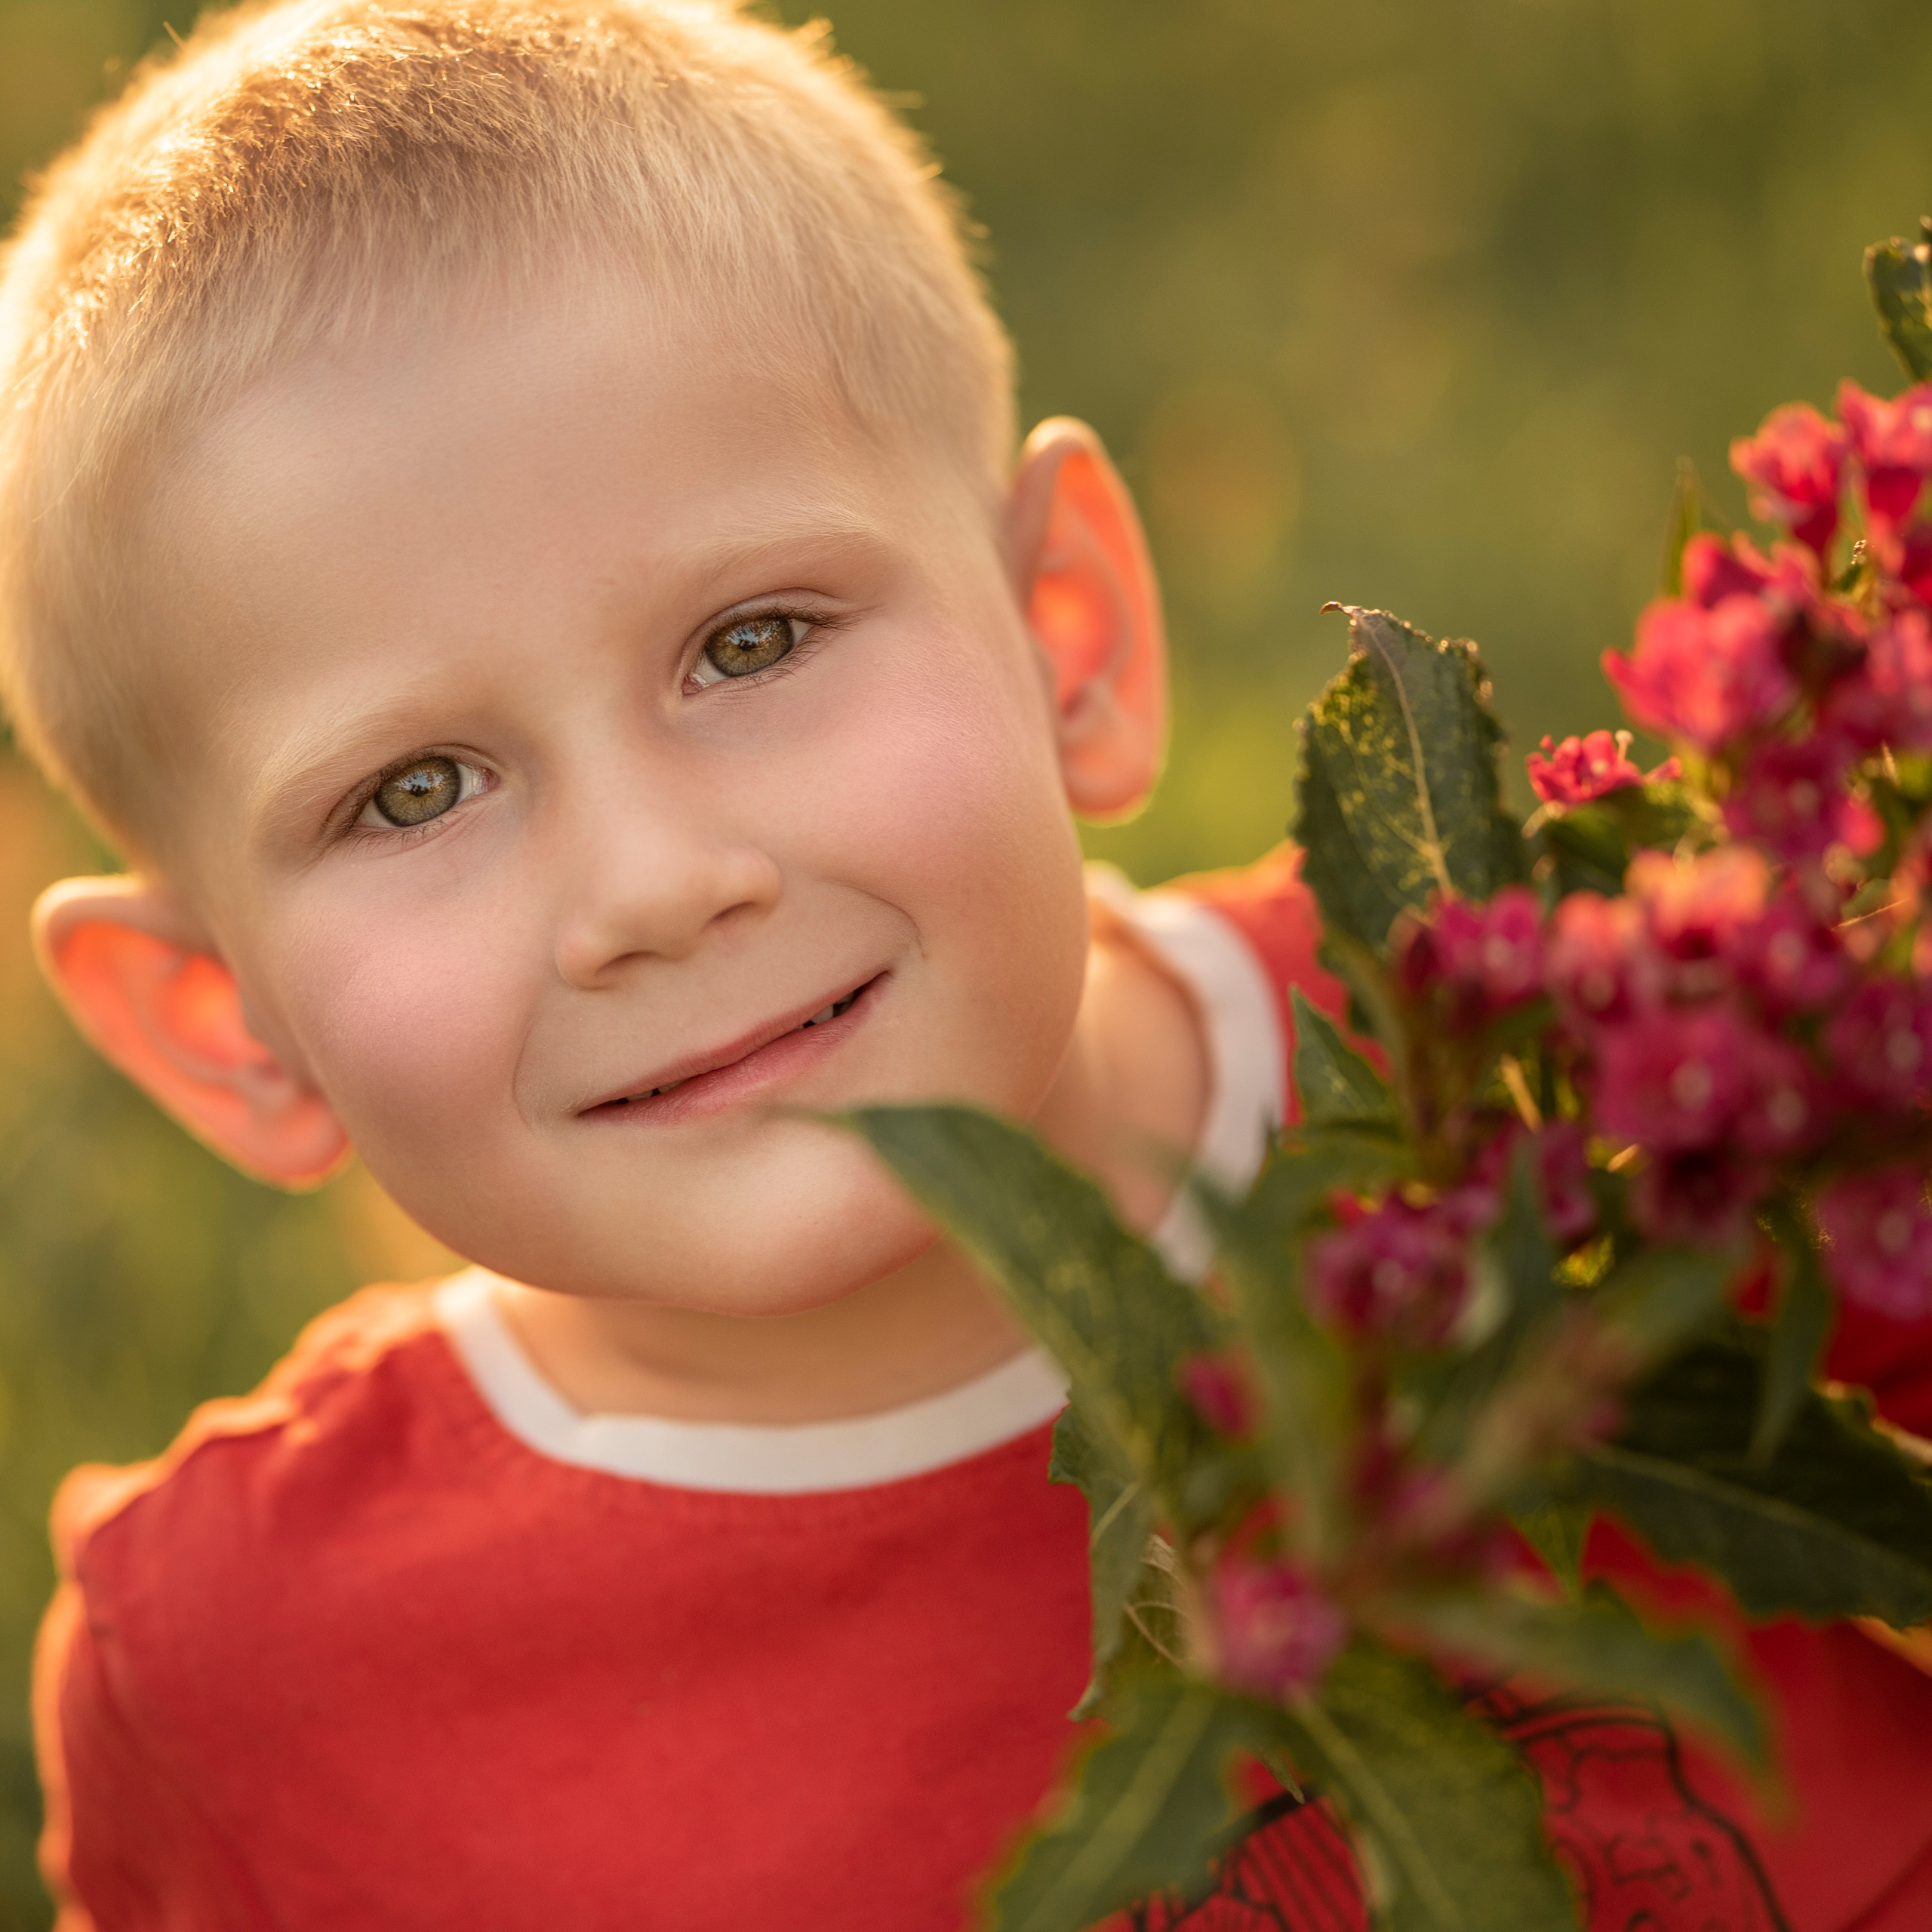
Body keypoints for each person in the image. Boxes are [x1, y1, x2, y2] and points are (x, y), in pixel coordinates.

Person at [1, 4, 1928, 1927]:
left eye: (751, 641)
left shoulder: (1575, 1068)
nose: (653, 884)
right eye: (413, 790)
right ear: (225, 1029)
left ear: (1065, 635)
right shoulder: (258, 1680)